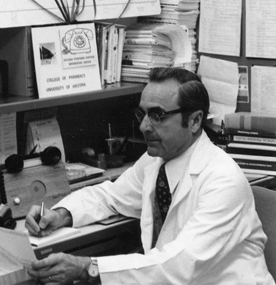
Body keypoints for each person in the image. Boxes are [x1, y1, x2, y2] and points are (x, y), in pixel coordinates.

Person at [25, 67, 275, 285]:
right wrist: (60, 215)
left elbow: (178, 266)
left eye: (158, 115)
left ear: (196, 120)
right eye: (142, 114)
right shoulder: (155, 161)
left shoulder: (222, 179)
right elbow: (110, 197)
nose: (144, 126)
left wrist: (87, 267)